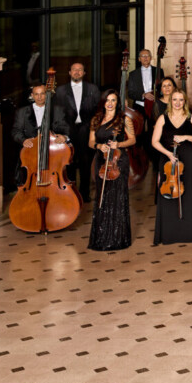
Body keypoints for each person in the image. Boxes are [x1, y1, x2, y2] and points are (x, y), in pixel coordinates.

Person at [151, 90, 192, 245]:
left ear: (184, 101)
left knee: (186, 190)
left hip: (185, 157)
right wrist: (168, 154)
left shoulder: (191, 117)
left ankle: (186, 233)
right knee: (166, 192)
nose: (177, 103)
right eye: (174, 99)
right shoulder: (163, 118)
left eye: (181, 100)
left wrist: (186, 137)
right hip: (167, 158)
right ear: (170, 101)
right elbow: (154, 142)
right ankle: (168, 233)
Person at [86, 90, 135, 251]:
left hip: (118, 160)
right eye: (107, 100)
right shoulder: (96, 119)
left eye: (113, 100)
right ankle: (101, 237)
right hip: (101, 161)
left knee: (117, 197)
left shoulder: (124, 120)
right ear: (103, 102)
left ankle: (118, 238)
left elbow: (132, 140)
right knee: (102, 196)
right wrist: (99, 146)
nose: (110, 103)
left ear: (117, 102)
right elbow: (90, 142)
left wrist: (118, 145)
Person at [55, 61, 101, 194]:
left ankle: (85, 192)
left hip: (86, 130)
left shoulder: (93, 89)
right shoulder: (60, 91)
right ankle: (71, 192)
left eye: (80, 69)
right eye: (74, 69)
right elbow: (58, 113)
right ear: (69, 72)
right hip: (67, 131)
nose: (77, 72)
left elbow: (97, 112)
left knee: (85, 161)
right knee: (69, 161)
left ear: (84, 73)